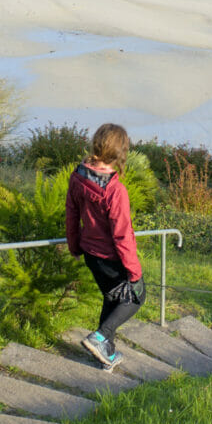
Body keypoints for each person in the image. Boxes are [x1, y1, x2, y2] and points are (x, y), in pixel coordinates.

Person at [65, 123, 145, 370]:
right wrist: (134, 271)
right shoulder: (115, 190)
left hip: (90, 253)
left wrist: (74, 246)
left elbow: (71, 214)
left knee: (112, 298)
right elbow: (122, 236)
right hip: (110, 257)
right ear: (121, 153)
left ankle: (105, 353)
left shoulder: (78, 176)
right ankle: (100, 338)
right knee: (136, 296)